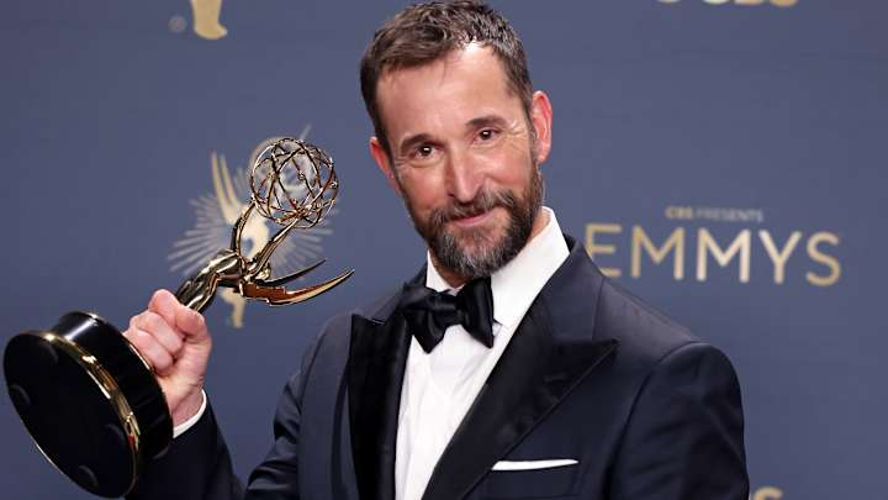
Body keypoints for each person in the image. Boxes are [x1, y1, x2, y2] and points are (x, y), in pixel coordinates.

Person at [125, 2, 749, 499]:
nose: (464, 184)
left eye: (485, 134)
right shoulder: (338, 356)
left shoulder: (661, 377)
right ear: (387, 166)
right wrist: (177, 418)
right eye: (424, 150)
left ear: (539, 128)